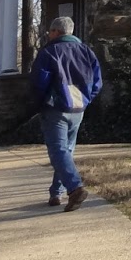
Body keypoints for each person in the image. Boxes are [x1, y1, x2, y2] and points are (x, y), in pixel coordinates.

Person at [31, 16, 102, 211]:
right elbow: (97, 81)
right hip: (78, 108)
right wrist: (86, 99)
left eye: (50, 32)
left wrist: (37, 103)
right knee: (66, 150)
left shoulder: (49, 52)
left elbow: (39, 82)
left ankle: (75, 187)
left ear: (56, 32)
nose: (49, 35)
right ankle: (56, 193)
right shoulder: (86, 51)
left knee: (58, 151)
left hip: (55, 107)